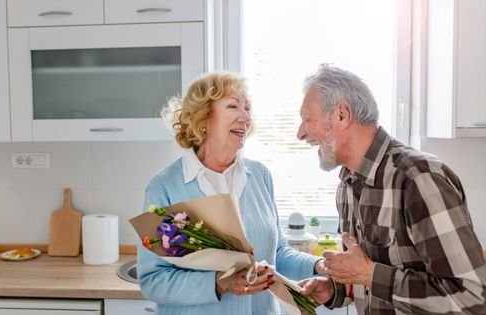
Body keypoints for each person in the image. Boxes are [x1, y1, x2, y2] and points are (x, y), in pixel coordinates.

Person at [295, 64, 486, 314]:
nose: (300, 133)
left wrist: (369, 274)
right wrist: (336, 290)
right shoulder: (348, 184)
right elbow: (369, 280)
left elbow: (472, 299)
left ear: (341, 114)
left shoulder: (419, 179)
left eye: (308, 119)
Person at [137, 71, 324, 315]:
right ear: (203, 118)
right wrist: (219, 283)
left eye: (248, 108)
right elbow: (154, 279)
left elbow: (277, 253)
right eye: (233, 106)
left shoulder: (260, 176)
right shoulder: (166, 186)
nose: (246, 117)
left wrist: (320, 265)